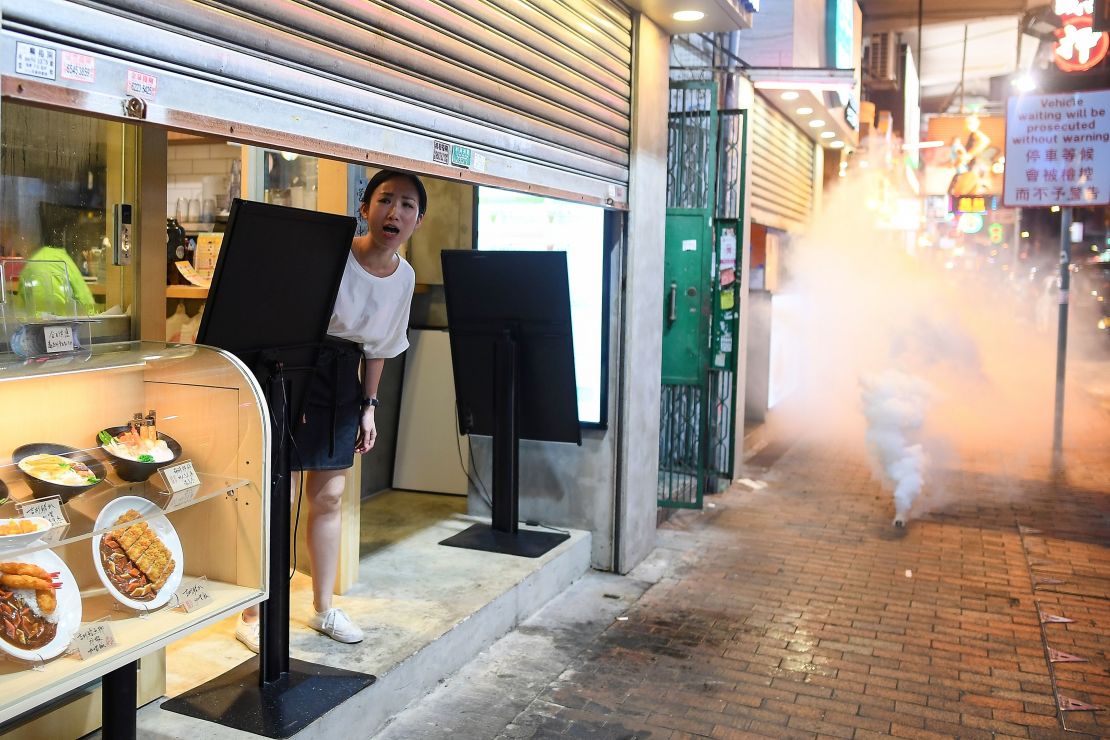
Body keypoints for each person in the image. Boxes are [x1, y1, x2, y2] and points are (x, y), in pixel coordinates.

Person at [236, 169, 426, 650]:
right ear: (365, 209)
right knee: (279, 494)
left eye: (407, 205)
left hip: (346, 376)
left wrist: (369, 406)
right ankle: (253, 613)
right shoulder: (332, 256)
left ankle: (322, 607)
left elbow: (379, 346)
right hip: (296, 364)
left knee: (330, 497)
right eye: (386, 200)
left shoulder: (404, 277)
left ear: (418, 220)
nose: (395, 212)